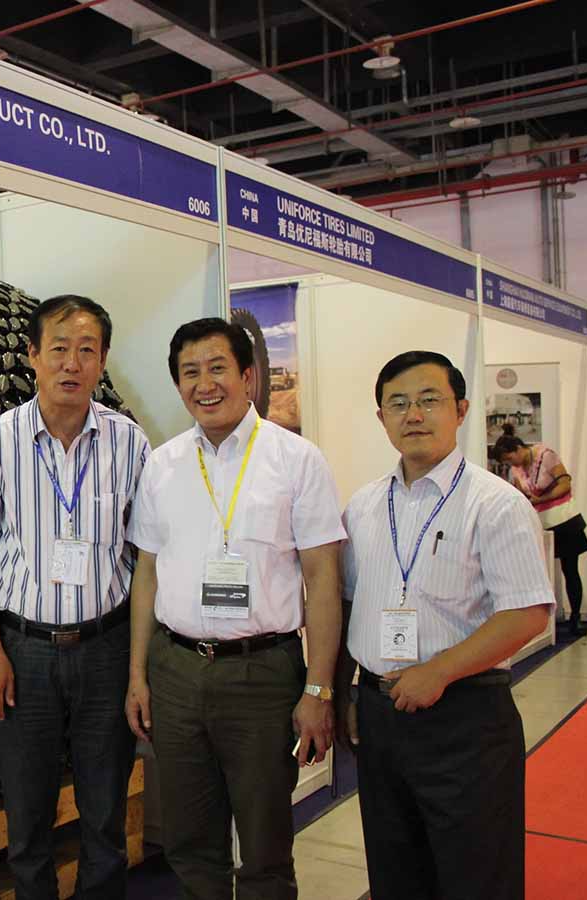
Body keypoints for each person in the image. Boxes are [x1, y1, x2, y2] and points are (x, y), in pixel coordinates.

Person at [124, 317, 344, 900]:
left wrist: (319, 690)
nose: (205, 384)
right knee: (190, 843)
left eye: (218, 367)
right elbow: (147, 574)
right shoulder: (162, 465)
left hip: (263, 673)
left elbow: (323, 579)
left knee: (266, 845)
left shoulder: (297, 460)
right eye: (190, 372)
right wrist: (138, 675)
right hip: (176, 670)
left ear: (248, 376)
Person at [0, 294, 150, 900]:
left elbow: (147, 558)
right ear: (32, 355)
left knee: (105, 816)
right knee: (27, 820)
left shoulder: (129, 442)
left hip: (106, 646)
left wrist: (138, 667)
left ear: (102, 361)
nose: (72, 363)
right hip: (23, 651)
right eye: (59, 348)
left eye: (87, 350)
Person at [334, 351, 553, 900]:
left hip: (465, 718)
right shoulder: (363, 506)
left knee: (476, 875)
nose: (413, 414)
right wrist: (346, 692)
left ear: (460, 409)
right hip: (381, 716)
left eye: (429, 400)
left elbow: (528, 611)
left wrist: (439, 671)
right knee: (395, 870)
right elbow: (349, 603)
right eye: (398, 403)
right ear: (381, 417)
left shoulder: (496, 504)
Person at [491, 423, 587, 636]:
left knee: (570, 570)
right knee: (539, 574)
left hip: (564, 521)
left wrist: (540, 499)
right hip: (541, 525)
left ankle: (575, 618)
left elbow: (565, 484)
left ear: (518, 449)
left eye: (509, 458)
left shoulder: (546, 455)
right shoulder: (517, 470)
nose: (510, 463)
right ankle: (542, 626)